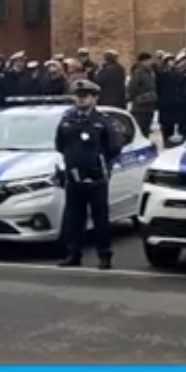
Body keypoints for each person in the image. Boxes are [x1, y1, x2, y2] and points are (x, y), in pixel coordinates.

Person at [54, 79, 122, 270]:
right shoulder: (67, 120)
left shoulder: (103, 121)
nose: (81, 100)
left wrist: (98, 163)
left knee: (100, 218)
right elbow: (60, 145)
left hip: (96, 177)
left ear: (94, 98)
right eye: (78, 96)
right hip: (73, 176)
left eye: (85, 96)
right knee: (74, 218)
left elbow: (114, 147)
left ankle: (104, 255)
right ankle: (74, 253)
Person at [126, 52, 158, 137]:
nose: (150, 62)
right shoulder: (138, 73)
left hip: (149, 106)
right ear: (142, 61)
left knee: (146, 130)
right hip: (140, 107)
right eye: (148, 60)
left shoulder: (150, 73)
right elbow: (131, 88)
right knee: (140, 130)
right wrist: (139, 98)